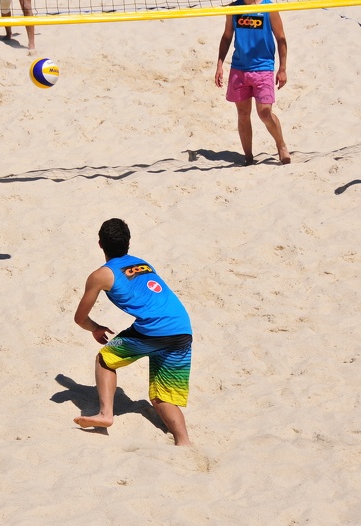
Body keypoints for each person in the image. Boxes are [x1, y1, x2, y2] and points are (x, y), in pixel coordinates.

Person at [73, 218, 193, 446]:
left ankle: (106, 414)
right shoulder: (144, 263)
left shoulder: (101, 275)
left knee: (105, 358)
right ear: (128, 242)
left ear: (100, 244)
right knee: (161, 397)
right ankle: (184, 443)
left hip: (153, 330)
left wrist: (95, 328)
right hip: (182, 328)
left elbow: (80, 318)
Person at [215, 0, 290, 166]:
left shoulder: (268, 7)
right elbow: (227, 36)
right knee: (243, 114)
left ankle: (281, 144)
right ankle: (248, 158)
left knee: (264, 112)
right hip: (239, 68)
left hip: (263, 68)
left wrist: (282, 68)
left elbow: (281, 38)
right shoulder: (234, 8)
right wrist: (220, 64)